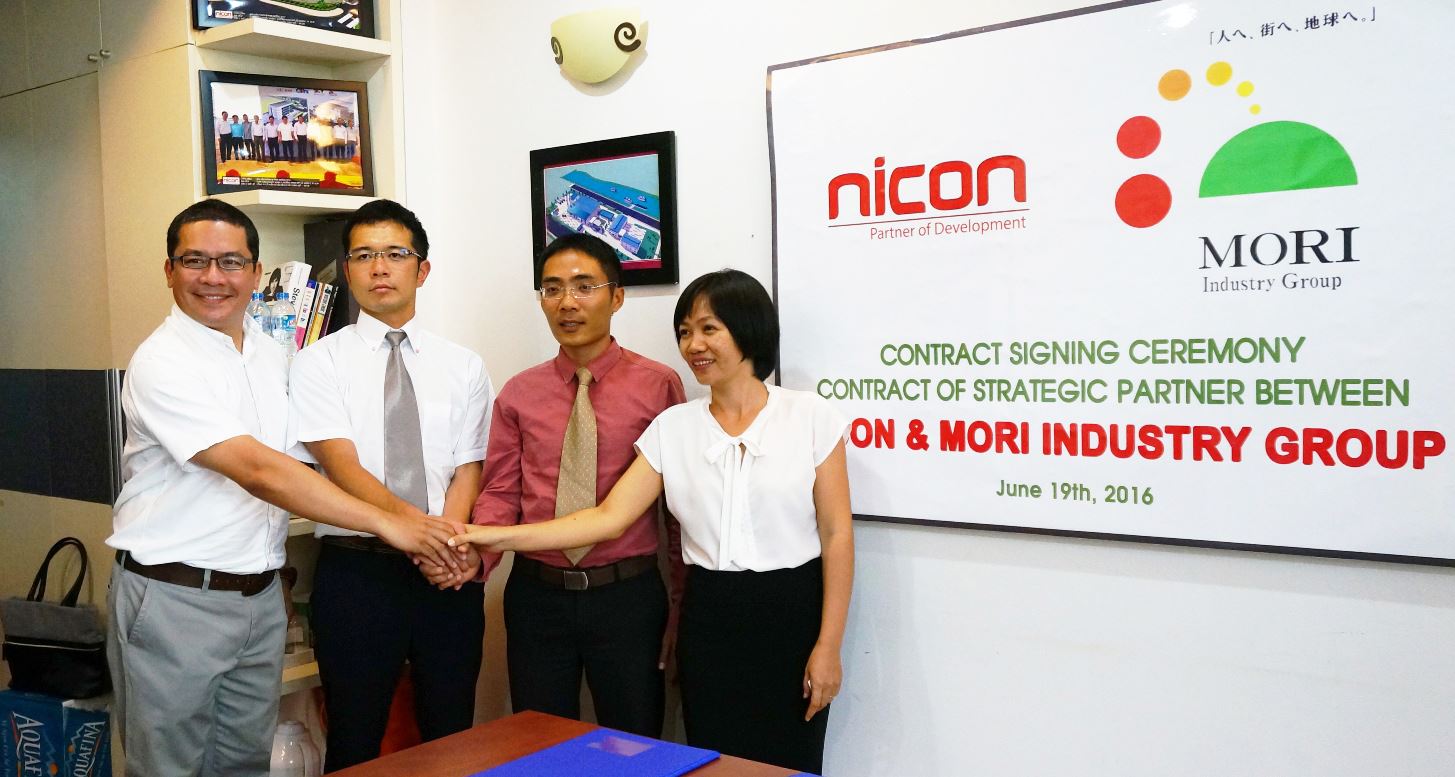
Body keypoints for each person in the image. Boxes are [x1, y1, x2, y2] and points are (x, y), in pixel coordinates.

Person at [106, 199, 464, 777]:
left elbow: (307, 461)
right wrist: (392, 523)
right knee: (169, 767)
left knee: (246, 764)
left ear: (255, 272)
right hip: (176, 596)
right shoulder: (162, 361)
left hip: (258, 597)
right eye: (195, 261)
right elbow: (260, 470)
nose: (214, 277)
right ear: (169, 270)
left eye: (231, 262)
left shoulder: (272, 355)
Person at [453, 269, 853, 773]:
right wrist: (490, 536)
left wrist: (829, 646)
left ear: (748, 329)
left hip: (791, 614)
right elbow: (607, 518)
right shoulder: (673, 426)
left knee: (791, 763)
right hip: (708, 618)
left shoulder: (810, 415)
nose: (693, 345)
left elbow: (837, 535)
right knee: (712, 760)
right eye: (685, 332)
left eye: (709, 329)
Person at [288, 199, 493, 771]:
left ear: (421, 270)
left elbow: (468, 468)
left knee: (451, 738)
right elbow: (342, 467)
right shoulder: (316, 363)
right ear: (347, 270)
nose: (379, 268)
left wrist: (444, 544)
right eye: (364, 255)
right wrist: (421, 534)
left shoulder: (464, 365)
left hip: (447, 575)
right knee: (354, 739)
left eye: (395, 254)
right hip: (358, 573)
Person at [463, 233, 685, 738]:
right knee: (540, 744)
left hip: (627, 596)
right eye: (553, 288)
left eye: (585, 286)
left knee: (635, 745)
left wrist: (680, 605)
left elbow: (677, 511)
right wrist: (476, 560)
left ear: (617, 297)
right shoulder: (519, 392)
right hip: (536, 596)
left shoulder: (658, 385)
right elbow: (500, 492)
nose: (567, 302)